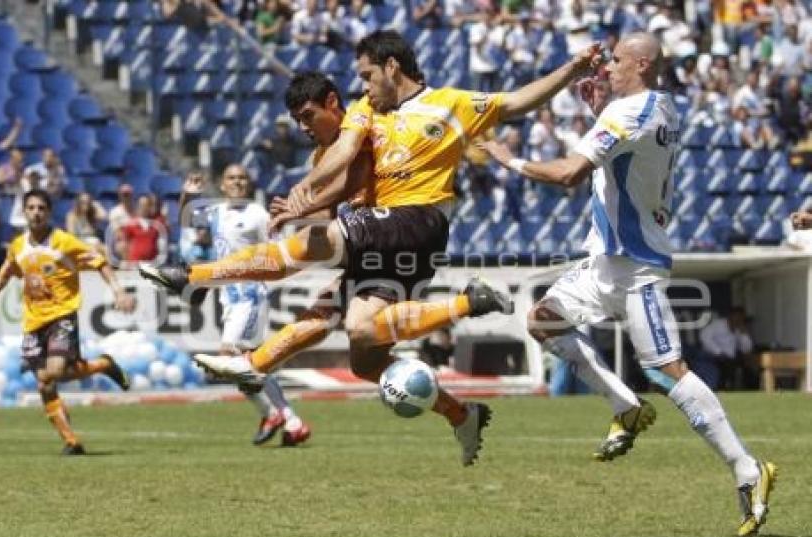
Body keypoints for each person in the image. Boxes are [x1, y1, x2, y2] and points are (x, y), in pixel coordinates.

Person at [141, 32, 602, 465]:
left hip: (418, 218)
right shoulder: (365, 111)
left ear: (391, 66)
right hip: (386, 240)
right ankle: (463, 411)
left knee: (309, 250)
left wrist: (573, 68)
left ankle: (195, 279)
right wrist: (311, 193)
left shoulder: (451, 104)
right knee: (363, 345)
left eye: (366, 74)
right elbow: (343, 158)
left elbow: (518, 101)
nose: (362, 84)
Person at [481, 32, 776, 537]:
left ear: (640, 63)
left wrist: (504, 156)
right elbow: (625, 150)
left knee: (668, 372)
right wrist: (602, 109)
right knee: (541, 320)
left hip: (636, 266)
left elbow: (571, 174)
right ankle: (624, 405)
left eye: (616, 61)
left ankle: (749, 470)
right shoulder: (663, 106)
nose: (607, 67)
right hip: (605, 261)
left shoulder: (627, 114)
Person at [0, 189, 135, 455]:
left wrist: (118, 291)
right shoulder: (18, 246)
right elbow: (7, 271)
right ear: (24, 212)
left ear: (49, 213)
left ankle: (102, 365)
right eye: (31, 208)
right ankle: (71, 442)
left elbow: (100, 262)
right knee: (44, 383)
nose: (36, 212)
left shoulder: (64, 242)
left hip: (62, 315)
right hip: (33, 322)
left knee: (56, 371)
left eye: (41, 208)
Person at [181, 165, 311, 446]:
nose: (238, 182)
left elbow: (278, 251)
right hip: (228, 296)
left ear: (249, 184)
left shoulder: (257, 214)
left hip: (250, 294)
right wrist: (187, 195)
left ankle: (273, 414)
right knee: (251, 364)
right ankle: (291, 422)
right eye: (231, 178)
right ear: (222, 184)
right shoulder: (216, 211)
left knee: (230, 359)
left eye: (242, 178)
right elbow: (189, 220)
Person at [700, 308, 757, 390]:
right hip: (712, 355)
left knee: (749, 364)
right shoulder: (718, 324)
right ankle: (723, 388)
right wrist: (719, 352)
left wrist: (744, 333)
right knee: (724, 366)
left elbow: (747, 349)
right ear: (730, 316)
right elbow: (704, 336)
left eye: (741, 319)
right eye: (736, 317)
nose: (738, 320)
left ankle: (749, 389)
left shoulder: (739, 329)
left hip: (730, 358)